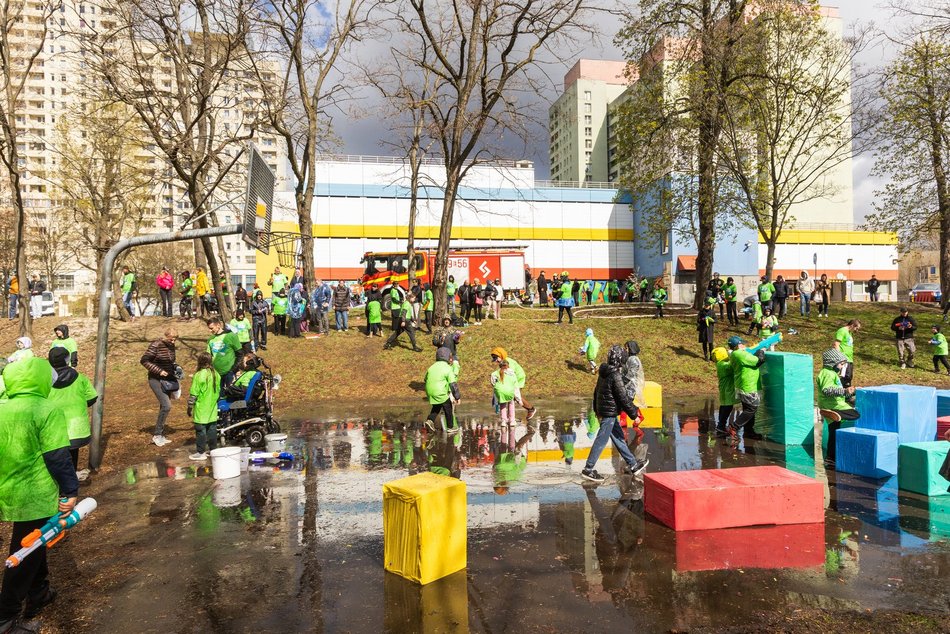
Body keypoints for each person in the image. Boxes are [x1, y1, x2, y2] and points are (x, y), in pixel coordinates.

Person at [0, 357, 78, 633]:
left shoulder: (3, 408)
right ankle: (7, 618)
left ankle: (39, 592)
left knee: (37, 538)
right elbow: (57, 456)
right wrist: (70, 490)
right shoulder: (45, 409)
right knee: (25, 551)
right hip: (35, 492)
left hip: (7, 489)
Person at [581, 345, 649, 483]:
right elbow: (623, 398)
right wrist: (634, 414)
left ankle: (633, 465)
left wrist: (596, 410)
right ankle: (588, 469)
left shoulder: (604, 372)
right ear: (620, 359)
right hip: (609, 413)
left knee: (618, 438)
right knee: (601, 440)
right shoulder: (615, 375)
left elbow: (596, 392)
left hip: (605, 410)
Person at [47, 347, 97, 481]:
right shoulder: (80, 378)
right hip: (77, 427)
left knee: (57, 454)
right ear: (67, 360)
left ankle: (61, 480)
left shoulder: (45, 381)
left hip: (54, 427)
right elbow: (92, 397)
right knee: (73, 451)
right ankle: (71, 477)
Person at [817, 348, 860, 465]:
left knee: (833, 431)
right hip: (832, 405)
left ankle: (831, 458)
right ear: (832, 362)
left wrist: (847, 393)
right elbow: (827, 390)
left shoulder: (829, 373)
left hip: (832, 404)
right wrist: (845, 391)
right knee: (855, 414)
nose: (842, 367)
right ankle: (835, 413)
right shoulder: (828, 373)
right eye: (841, 364)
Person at [140, 328, 178, 447]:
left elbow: (171, 362)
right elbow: (144, 361)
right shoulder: (156, 345)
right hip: (155, 379)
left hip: (167, 380)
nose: (173, 342)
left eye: (175, 340)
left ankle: (160, 434)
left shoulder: (171, 347)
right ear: (166, 336)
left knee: (164, 406)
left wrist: (177, 368)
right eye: (171, 339)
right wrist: (159, 371)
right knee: (167, 405)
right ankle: (156, 435)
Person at [728, 335, 766, 441]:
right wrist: (761, 351)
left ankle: (749, 432)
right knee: (751, 409)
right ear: (738, 345)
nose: (744, 345)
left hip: (744, 384)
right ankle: (734, 427)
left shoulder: (736, 354)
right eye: (742, 343)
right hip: (748, 386)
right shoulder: (740, 354)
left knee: (748, 408)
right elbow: (759, 361)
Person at [187, 352, 220, 461]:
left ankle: (201, 452)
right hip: (212, 407)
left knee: (200, 430)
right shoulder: (216, 374)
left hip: (202, 408)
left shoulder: (199, 375)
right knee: (212, 429)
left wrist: (189, 407)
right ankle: (213, 450)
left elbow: (194, 393)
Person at [490, 347, 537, 420]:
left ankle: (531, 409)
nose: (496, 361)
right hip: (513, 378)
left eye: (496, 358)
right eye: (494, 359)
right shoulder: (503, 362)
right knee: (510, 396)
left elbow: (510, 375)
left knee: (514, 395)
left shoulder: (508, 362)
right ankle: (510, 416)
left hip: (518, 378)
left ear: (501, 355)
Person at [424, 347, 461, 434]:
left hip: (429, 391)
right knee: (448, 407)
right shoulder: (447, 368)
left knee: (437, 406)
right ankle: (450, 427)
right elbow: (453, 384)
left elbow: (425, 379)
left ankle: (430, 420)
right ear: (448, 357)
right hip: (440, 391)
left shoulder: (431, 367)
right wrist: (457, 397)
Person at [206, 316, 242, 386]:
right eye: (209, 329)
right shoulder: (210, 340)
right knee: (219, 395)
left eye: (211, 328)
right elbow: (208, 357)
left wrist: (233, 370)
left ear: (218, 325)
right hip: (216, 373)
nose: (210, 331)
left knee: (230, 395)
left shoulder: (231, 336)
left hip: (229, 373)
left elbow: (240, 354)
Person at [833, 319, 861, 393]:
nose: (856, 330)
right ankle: (843, 394)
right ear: (852, 325)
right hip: (844, 358)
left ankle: (847, 394)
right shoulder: (842, 331)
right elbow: (836, 344)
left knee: (849, 377)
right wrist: (840, 358)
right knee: (845, 376)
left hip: (850, 359)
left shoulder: (849, 333)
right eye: (856, 328)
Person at [712, 346, 735, 435]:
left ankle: (720, 425)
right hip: (727, 389)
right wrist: (733, 356)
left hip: (724, 388)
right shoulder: (723, 365)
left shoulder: (720, 364)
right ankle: (721, 426)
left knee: (724, 405)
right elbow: (732, 366)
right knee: (728, 407)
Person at [491, 360, 518, 427]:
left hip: (500, 391)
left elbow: (493, 383)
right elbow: (515, 384)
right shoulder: (512, 373)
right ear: (508, 366)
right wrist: (518, 398)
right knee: (511, 403)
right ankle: (512, 420)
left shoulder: (494, 373)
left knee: (502, 404)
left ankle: (503, 421)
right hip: (509, 391)